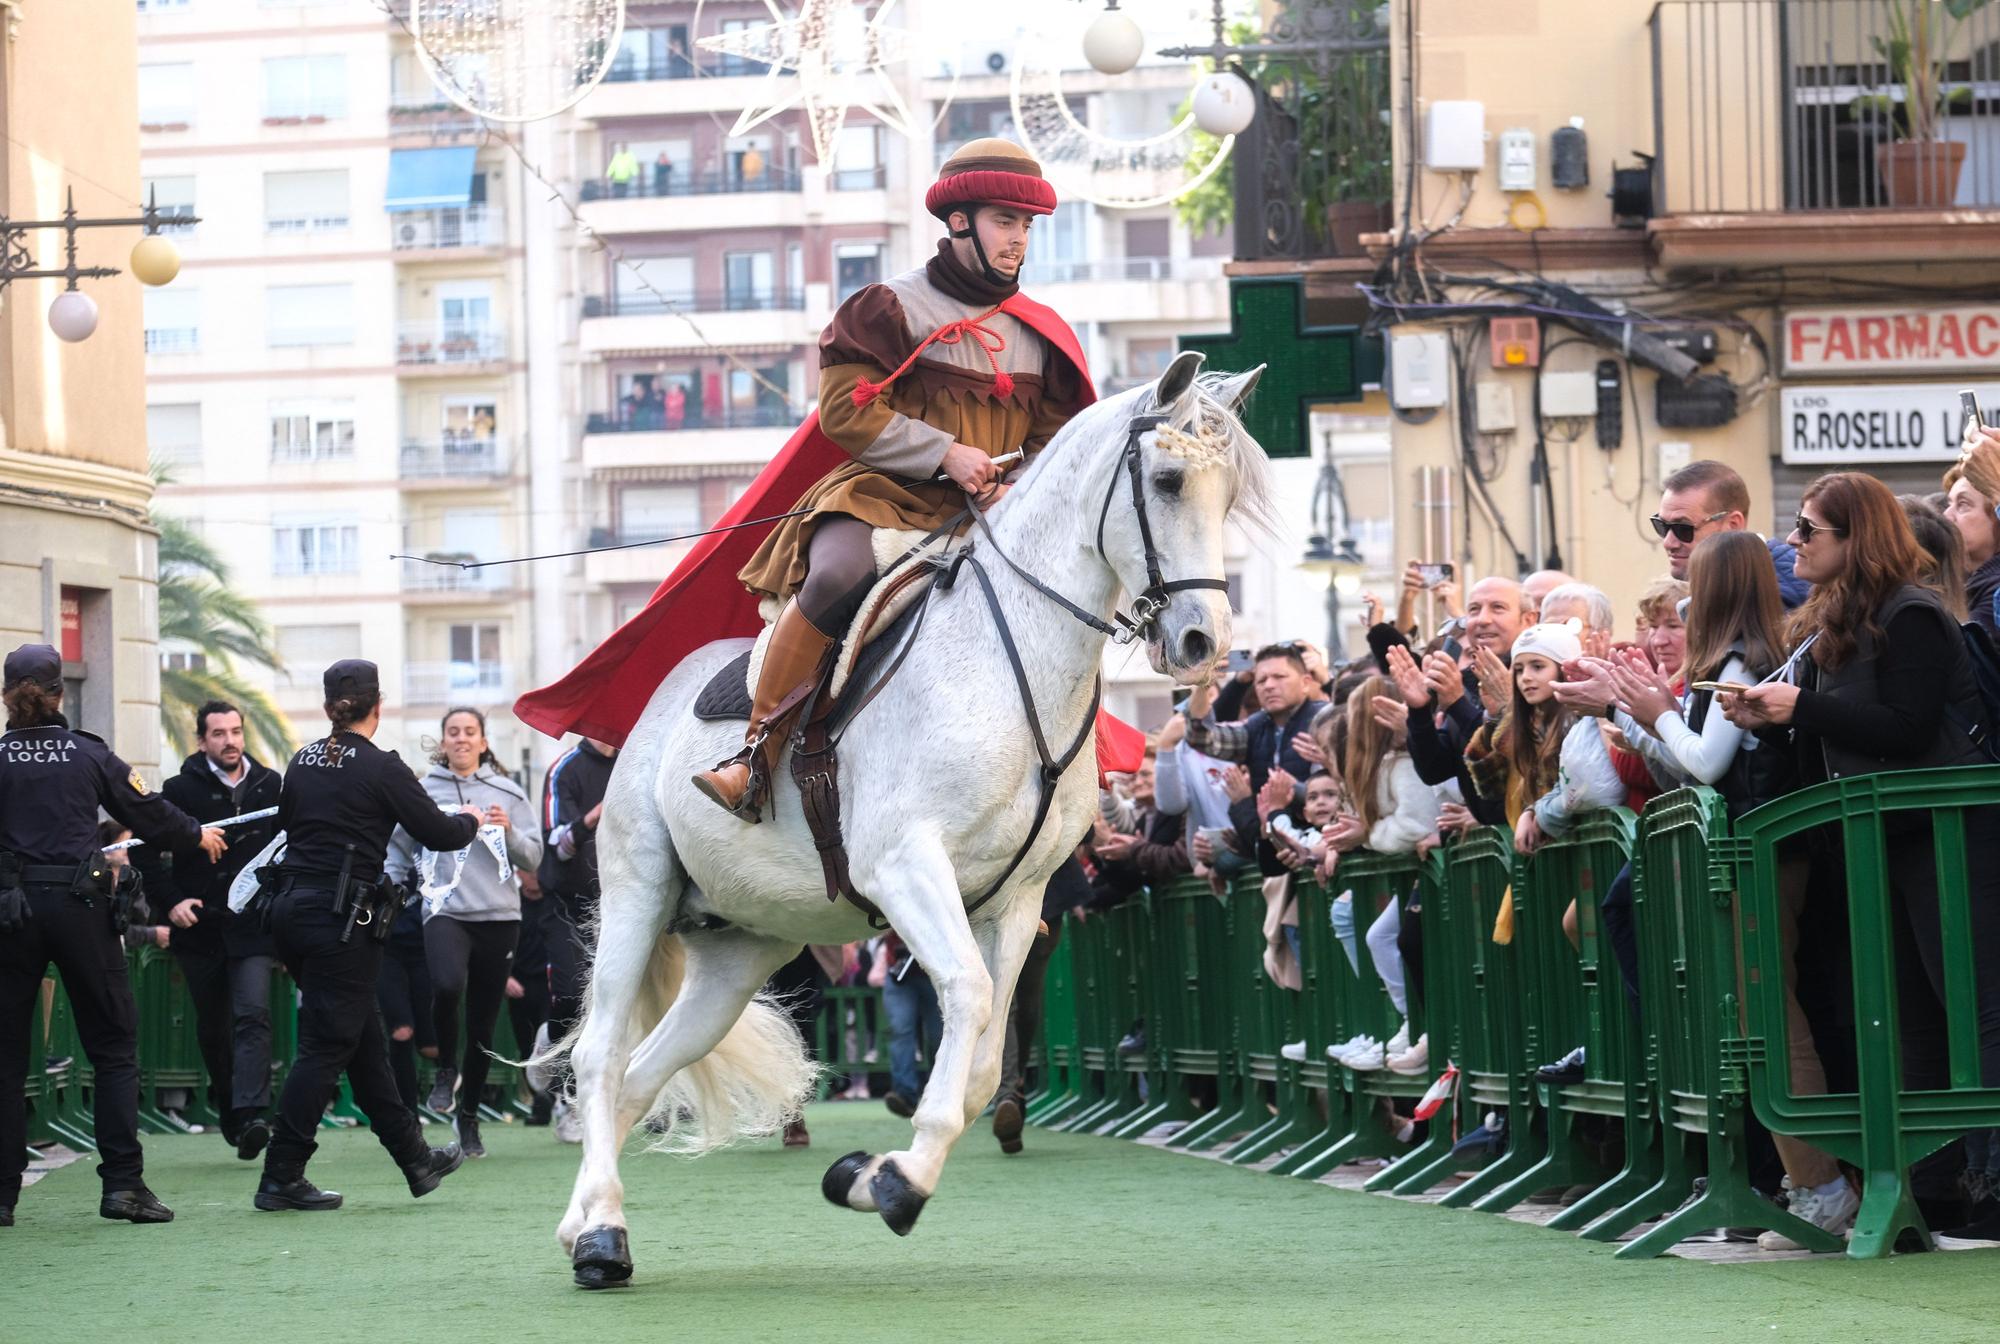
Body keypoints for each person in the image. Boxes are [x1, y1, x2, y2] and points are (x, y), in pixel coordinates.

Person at [691, 139, 1089, 818]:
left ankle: (1043, 825)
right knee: (836, 578)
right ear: (959, 221)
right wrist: (947, 455)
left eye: (1026, 225)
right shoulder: (886, 307)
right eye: (1004, 221)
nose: (1018, 239)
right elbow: (845, 411)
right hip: (883, 498)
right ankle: (754, 756)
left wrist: (1016, 486)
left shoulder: (1045, 334)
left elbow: (1055, 442)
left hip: (990, 517)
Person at [1721, 473, 2000, 1248]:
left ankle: (1987, 1187)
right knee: (1910, 1017)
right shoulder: (1836, 618)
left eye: (1810, 530)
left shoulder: (1908, 613)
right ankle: (1934, 1191)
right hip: (1887, 838)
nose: (1795, 542)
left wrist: (1796, 707)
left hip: (1945, 831)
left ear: (1856, 539)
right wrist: (1770, 721)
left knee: (1974, 1007)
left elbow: (1905, 727)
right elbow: (1842, 736)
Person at [0, 643, 227, 1227]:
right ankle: (123, 1186)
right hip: (80, 909)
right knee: (113, 1050)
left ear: (7, 695)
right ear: (59, 695)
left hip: (12, 914)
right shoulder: (86, 754)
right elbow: (148, 812)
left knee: (5, 1057)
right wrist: (196, 834)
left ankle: (1, 1197)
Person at [254, 660, 478, 1213]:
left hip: (291, 910)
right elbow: (439, 833)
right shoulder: (382, 767)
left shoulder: (301, 762)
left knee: (360, 1040)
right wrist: (472, 818)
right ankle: (281, 1174)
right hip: (339, 917)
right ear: (379, 705)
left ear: (330, 706)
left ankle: (415, 1160)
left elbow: (290, 826)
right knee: (327, 1045)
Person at [131, 700, 283, 1160]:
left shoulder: (270, 785)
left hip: (253, 927)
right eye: (218, 733)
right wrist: (172, 901)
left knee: (253, 1014)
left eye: (235, 731)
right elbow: (141, 851)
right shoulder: (178, 790)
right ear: (202, 740)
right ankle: (232, 1113)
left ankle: (255, 1111)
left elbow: (288, 845)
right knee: (215, 1028)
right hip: (200, 929)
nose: (229, 741)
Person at [387, 707, 541, 1160]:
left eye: (469, 732)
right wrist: (393, 884)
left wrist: (508, 832)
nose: (461, 739)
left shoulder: (507, 791)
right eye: (452, 732)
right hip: (444, 909)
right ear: (443, 740)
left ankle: (469, 1115)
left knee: (483, 1023)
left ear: (483, 741)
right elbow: (397, 847)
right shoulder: (422, 791)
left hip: (499, 915)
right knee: (447, 983)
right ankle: (445, 1067)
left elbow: (533, 859)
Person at [537, 734, 617, 1144]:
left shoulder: (637, 758)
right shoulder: (565, 769)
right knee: (571, 998)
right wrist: (593, 817)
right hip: (567, 903)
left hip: (623, 905)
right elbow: (558, 845)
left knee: (617, 1002)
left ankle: (618, 1100)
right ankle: (564, 1090)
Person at [993, 855, 1091, 1154]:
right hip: (1013, 898)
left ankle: (1012, 1088)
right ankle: (1009, 1092)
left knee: (1019, 1005)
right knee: (1011, 1002)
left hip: (1034, 899)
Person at [1654, 459, 1807, 607]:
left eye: (1683, 528)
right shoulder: (1727, 588)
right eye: (1662, 525)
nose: (1668, 542)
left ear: (1733, 525)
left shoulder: (1778, 597)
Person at [872, 932, 939, 1117]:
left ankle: (939, 1094)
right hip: (899, 970)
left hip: (936, 969)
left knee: (939, 1035)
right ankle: (905, 1096)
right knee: (900, 1030)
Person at [1943, 443, 2000, 638]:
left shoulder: (1992, 592)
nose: (1946, 515)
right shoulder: (1964, 583)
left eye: (1963, 504)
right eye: (1949, 503)